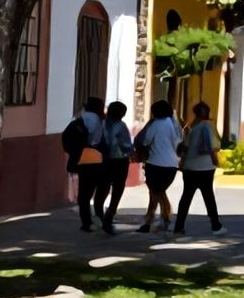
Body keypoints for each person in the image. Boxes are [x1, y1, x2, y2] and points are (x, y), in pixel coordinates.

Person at [174, 101, 225, 235]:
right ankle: (216, 225)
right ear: (206, 112)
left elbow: (184, 148)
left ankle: (178, 227)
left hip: (190, 167)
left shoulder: (191, 127)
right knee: (208, 196)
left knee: (186, 197)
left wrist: (183, 162)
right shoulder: (205, 126)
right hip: (205, 167)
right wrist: (213, 157)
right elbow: (207, 144)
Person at [133, 100, 181, 233]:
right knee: (158, 191)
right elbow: (179, 140)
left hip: (156, 162)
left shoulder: (156, 124)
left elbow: (146, 140)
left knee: (155, 192)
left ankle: (161, 216)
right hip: (172, 164)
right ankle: (153, 220)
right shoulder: (174, 124)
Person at [66, 96, 107, 233]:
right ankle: (97, 217)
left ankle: (86, 221)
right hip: (96, 157)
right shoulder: (99, 119)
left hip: (82, 158)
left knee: (84, 192)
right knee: (94, 190)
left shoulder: (82, 116)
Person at [98, 101, 134, 232]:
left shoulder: (101, 124)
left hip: (103, 160)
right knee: (117, 190)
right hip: (119, 161)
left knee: (103, 187)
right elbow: (125, 145)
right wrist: (132, 152)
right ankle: (109, 217)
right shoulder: (121, 126)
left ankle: (99, 215)